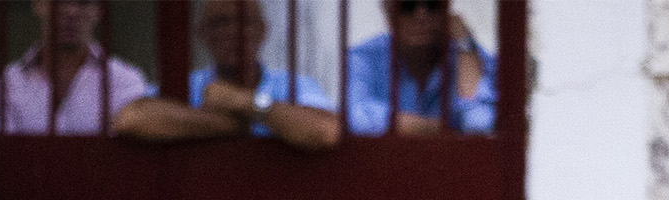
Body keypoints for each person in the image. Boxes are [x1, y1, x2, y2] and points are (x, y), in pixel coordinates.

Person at [114, 0, 339, 151]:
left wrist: (246, 102)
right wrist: (231, 124)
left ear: (262, 31)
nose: (233, 31)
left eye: (244, 21)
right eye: (220, 22)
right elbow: (131, 118)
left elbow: (324, 131)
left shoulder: (293, 85)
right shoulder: (183, 83)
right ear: (202, 34)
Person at [0, 0, 151, 135]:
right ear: (38, 4)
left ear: (99, 10)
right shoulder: (8, 85)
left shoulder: (124, 82)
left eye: (84, 2)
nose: (71, 11)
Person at [346, 0, 495, 136]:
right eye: (407, 6)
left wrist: (466, 45)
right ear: (388, 12)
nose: (421, 15)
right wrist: (444, 128)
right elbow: (355, 118)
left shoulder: (469, 57)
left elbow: (479, 124)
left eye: (433, 5)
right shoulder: (363, 58)